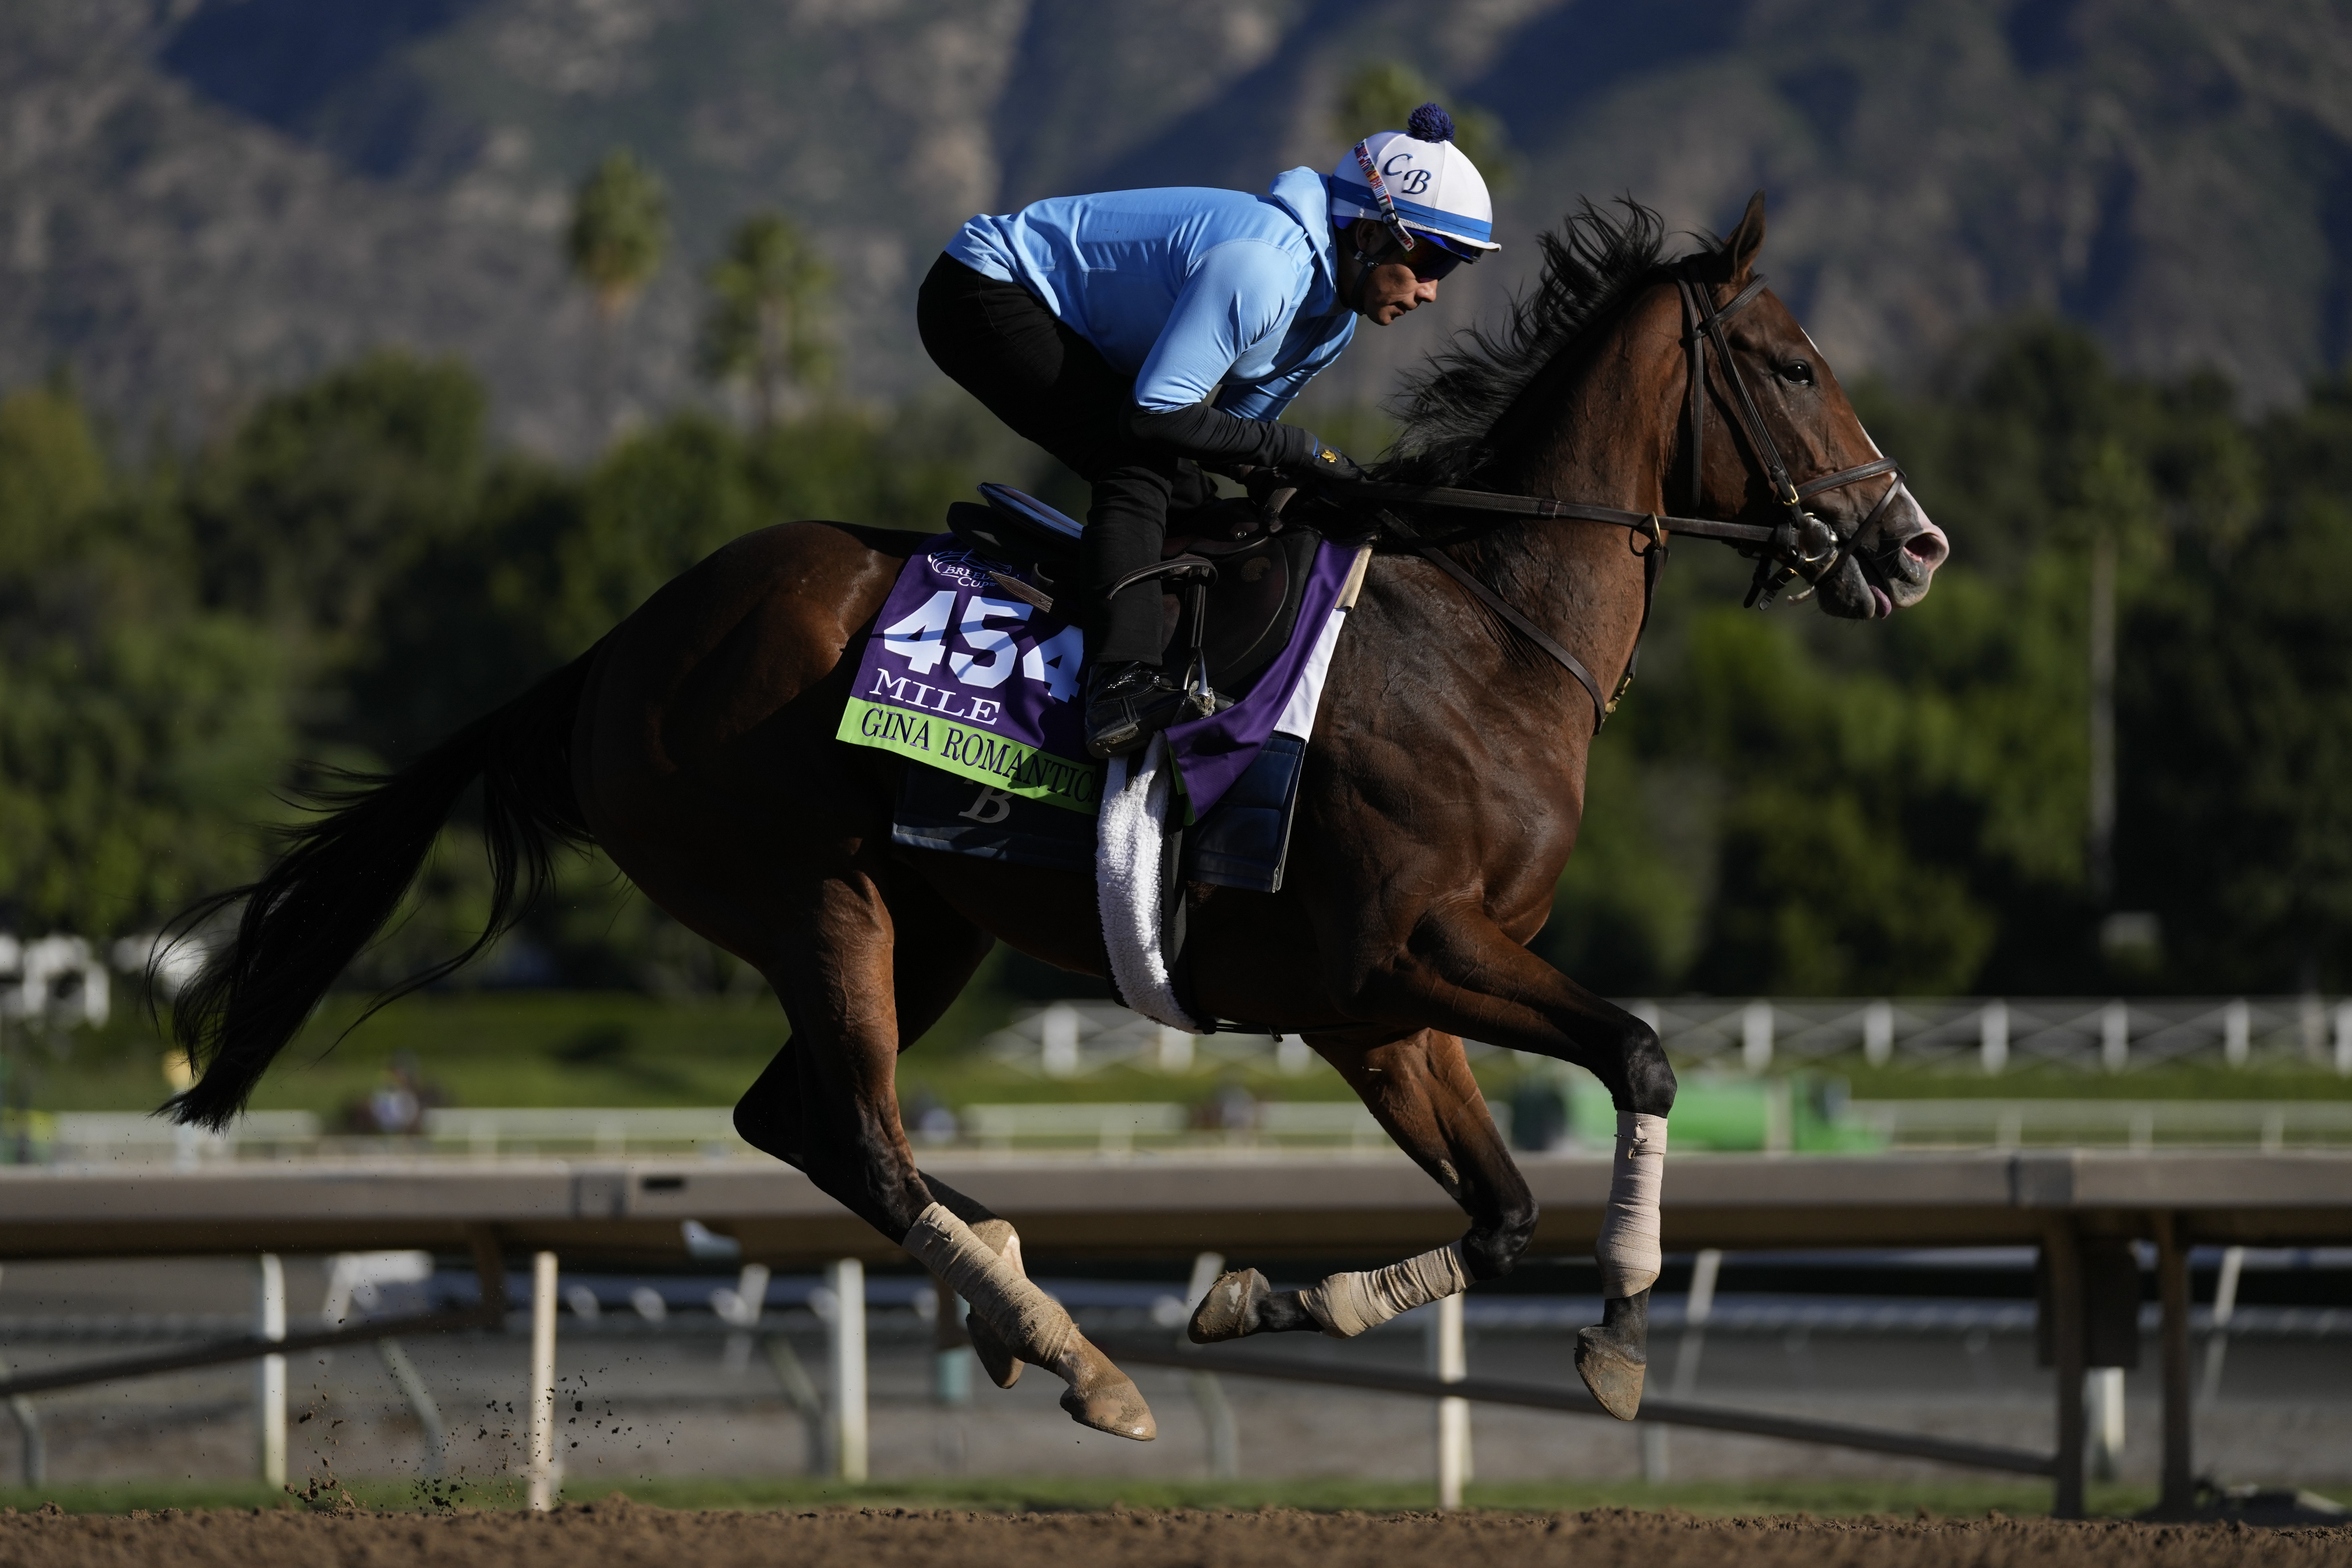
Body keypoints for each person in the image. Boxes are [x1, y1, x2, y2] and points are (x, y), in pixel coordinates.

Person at [918, 103, 1498, 758]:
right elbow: (1155, 418)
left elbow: (1230, 436)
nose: (1431, 291)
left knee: (1191, 493)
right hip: (980, 291)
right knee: (1134, 464)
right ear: (1368, 236)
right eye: (1433, 262)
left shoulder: (1331, 323)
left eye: (1451, 270)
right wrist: (1302, 450)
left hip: (1072, 335)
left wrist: (1322, 489)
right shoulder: (1264, 268)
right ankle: (1119, 686)